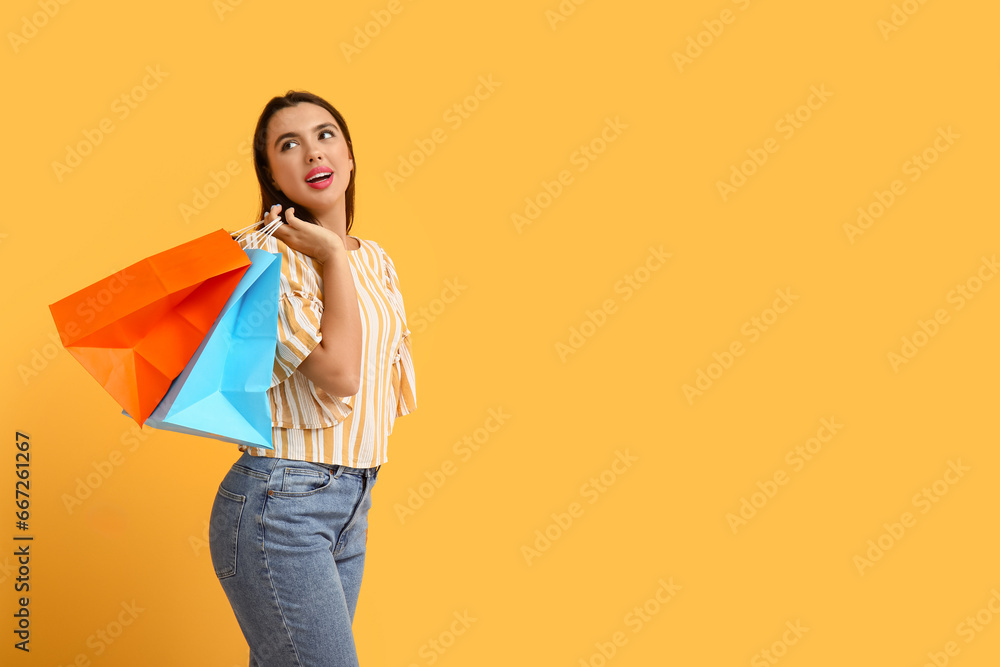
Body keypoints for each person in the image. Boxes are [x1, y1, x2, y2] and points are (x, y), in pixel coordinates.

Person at [208, 90, 417, 667]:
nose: (312, 154)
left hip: (353, 501)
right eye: (289, 145)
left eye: (325, 136)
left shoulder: (374, 258)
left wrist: (339, 255)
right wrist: (328, 256)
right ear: (272, 176)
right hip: (282, 504)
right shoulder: (266, 261)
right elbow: (342, 375)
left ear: (349, 156)